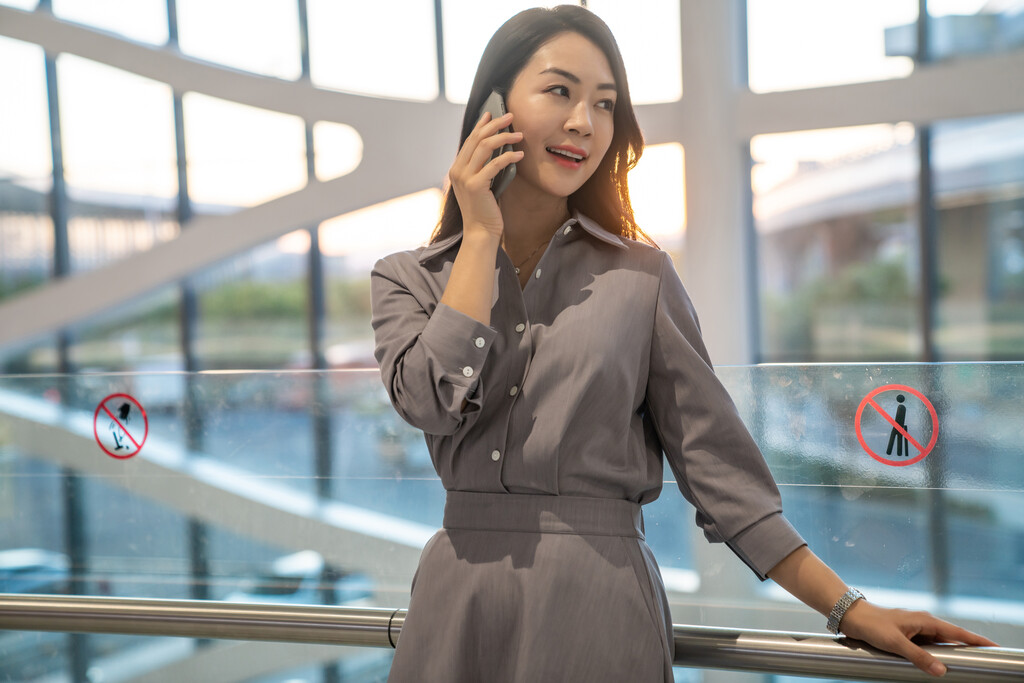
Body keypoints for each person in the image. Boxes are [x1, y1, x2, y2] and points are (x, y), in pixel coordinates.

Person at [370, 6, 995, 681]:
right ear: (493, 106)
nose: (585, 121)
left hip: (598, 608)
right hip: (456, 605)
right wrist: (482, 236)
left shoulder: (641, 277)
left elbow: (722, 472)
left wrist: (847, 606)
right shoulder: (408, 278)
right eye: (560, 91)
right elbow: (430, 400)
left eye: (605, 104)